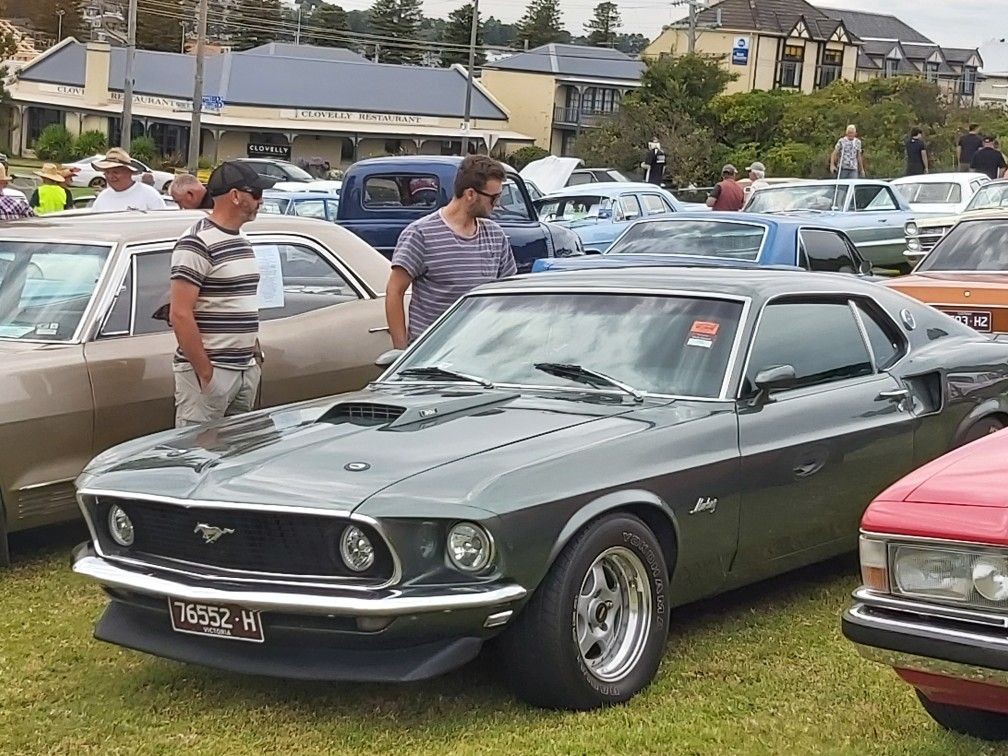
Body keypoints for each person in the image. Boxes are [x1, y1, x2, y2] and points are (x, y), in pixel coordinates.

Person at [168, 161, 276, 427]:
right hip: (212, 372)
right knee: (198, 453)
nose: (261, 201)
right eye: (257, 193)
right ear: (236, 196)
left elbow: (243, 301)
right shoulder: (196, 242)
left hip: (244, 368)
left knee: (236, 454)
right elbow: (180, 314)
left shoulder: (241, 240)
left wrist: (254, 356)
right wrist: (206, 374)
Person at [385, 155, 517, 350]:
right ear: (470, 194)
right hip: (431, 358)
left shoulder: (496, 236)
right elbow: (394, 291)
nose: (498, 203)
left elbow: (509, 295)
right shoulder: (421, 234)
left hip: (481, 355)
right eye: (494, 197)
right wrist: (401, 352)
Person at [90, 148, 166, 211]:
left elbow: (162, 224)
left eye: (115, 172)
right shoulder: (102, 198)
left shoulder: (150, 194)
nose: (110, 176)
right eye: (107, 172)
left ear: (129, 172)